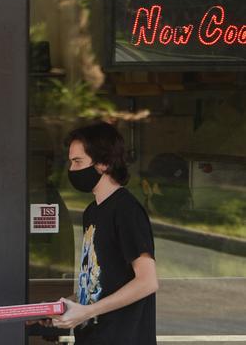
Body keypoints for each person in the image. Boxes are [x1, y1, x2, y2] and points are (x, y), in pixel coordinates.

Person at [49, 122, 158, 344]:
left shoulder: (126, 210)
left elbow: (147, 282)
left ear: (104, 163)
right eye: (71, 162)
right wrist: (66, 307)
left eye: (78, 161)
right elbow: (96, 284)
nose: (72, 170)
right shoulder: (92, 212)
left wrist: (86, 312)